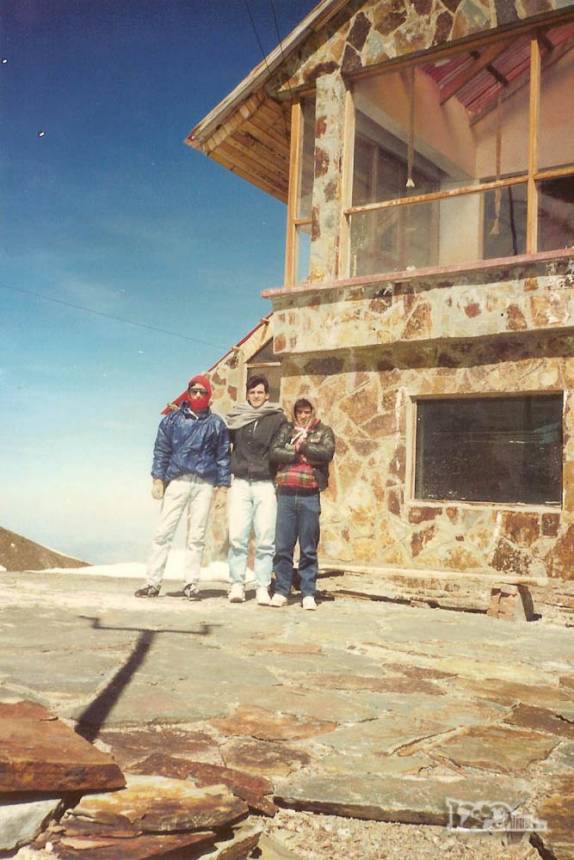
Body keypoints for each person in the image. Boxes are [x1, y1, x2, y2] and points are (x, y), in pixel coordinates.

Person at [135, 375, 230, 599]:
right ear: (188, 392)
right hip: (177, 481)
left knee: (196, 536)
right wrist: (157, 479)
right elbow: (162, 450)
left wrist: (223, 488)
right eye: (194, 391)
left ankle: (191, 583)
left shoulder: (216, 424)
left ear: (209, 395)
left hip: (204, 483)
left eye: (202, 392)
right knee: (163, 532)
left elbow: (223, 457)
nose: (198, 395)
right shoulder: (172, 421)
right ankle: (152, 582)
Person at [269, 398, 335, 611]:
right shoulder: (285, 429)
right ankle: (281, 590)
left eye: (307, 412)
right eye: (300, 412)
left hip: (309, 495)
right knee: (283, 546)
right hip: (286, 494)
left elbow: (326, 454)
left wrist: (303, 445)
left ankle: (308, 593)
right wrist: (298, 453)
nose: (303, 415)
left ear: (313, 412)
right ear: (295, 413)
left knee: (308, 546)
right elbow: (274, 452)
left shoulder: (323, 431)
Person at [226, 375, 286, 605]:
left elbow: (280, 448)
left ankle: (262, 586)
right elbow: (226, 446)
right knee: (238, 536)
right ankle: (237, 584)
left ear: (267, 395)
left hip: (264, 483)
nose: (256, 396)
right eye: (252, 392)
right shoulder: (237, 418)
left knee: (265, 538)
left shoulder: (277, 418)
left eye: (260, 392)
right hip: (241, 481)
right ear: (247, 394)